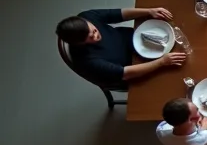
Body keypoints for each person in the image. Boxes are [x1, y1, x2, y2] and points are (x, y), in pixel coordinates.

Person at [55, 8, 186, 89]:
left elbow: (118, 14)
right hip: (135, 68)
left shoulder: (87, 16)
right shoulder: (86, 61)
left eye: (94, 30)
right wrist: (162, 62)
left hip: (135, 39)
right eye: (90, 38)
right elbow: (125, 73)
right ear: (78, 43)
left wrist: (149, 11)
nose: (96, 36)